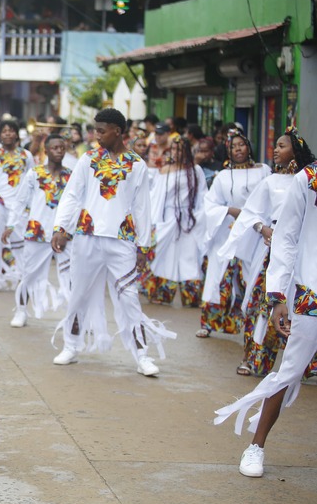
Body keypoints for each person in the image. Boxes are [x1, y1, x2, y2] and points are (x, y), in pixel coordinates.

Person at [213, 140, 317, 478]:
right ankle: (255, 446)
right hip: (311, 290)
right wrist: (277, 296)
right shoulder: (309, 179)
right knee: (289, 371)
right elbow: (285, 238)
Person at [50, 108, 175, 377]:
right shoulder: (88, 159)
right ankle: (71, 346)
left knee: (129, 297)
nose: (96, 135)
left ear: (117, 131)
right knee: (79, 294)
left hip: (123, 240)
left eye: (101, 130)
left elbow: (142, 207)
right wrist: (62, 228)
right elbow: (72, 195)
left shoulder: (137, 164)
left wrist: (144, 244)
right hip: (87, 236)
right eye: (95, 130)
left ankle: (142, 355)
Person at [217, 127, 317, 377]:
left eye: (282, 146)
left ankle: (306, 366)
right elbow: (252, 213)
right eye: (276, 146)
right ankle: (254, 360)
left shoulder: (307, 180)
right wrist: (262, 229)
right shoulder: (270, 182)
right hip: (274, 255)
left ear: (296, 150)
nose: (275, 150)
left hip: (306, 256)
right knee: (263, 306)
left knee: (306, 308)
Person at [197, 129, 271, 338]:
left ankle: (251, 326)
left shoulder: (263, 171)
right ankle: (210, 323)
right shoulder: (222, 176)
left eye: (241, 144)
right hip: (228, 232)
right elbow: (210, 204)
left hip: (255, 233)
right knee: (218, 277)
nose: (238, 149)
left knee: (251, 277)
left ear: (248, 146)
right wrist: (230, 211)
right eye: (233, 146)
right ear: (227, 151)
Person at [4, 134, 74, 327]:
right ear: (47, 151)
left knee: (70, 277)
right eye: (55, 148)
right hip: (37, 232)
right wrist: (11, 225)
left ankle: (73, 317)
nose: (59, 151)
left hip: (64, 236)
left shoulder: (71, 176)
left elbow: (77, 205)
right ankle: (21, 311)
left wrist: (68, 232)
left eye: (62, 147)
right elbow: (20, 201)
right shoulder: (34, 174)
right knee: (28, 274)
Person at [147, 137, 207, 307]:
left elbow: (202, 195)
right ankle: (162, 293)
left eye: (180, 150)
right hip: (167, 218)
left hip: (188, 219)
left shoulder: (196, 170)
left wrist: (199, 217)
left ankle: (191, 296)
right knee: (163, 255)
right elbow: (156, 196)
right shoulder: (165, 170)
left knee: (189, 256)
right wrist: (154, 220)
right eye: (174, 149)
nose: (176, 153)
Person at [0, 119, 34, 292]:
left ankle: (20, 274)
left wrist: (31, 204)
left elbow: (32, 180)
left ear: (17, 134)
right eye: (4, 131)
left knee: (20, 243)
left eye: (11, 130)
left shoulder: (27, 155)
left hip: (19, 207)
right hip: (0, 203)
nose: (8, 134)